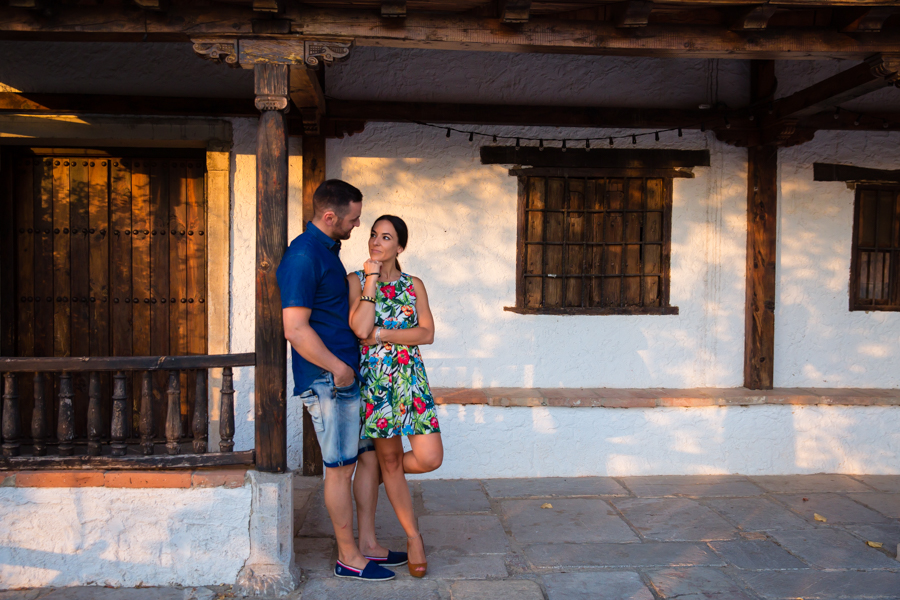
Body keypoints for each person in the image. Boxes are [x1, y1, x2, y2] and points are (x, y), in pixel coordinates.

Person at [277, 180, 404, 582]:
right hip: (329, 381)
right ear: (330, 216)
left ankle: (366, 544)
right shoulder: (302, 256)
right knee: (339, 469)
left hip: (348, 378)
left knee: (366, 459)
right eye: (354, 219)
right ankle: (348, 556)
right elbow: (295, 329)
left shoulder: (328, 252)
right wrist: (338, 368)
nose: (358, 225)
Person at [348, 215, 444, 578]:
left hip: (412, 381)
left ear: (399, 246)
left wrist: (384, 334)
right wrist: (371, 277)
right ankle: (413, 537)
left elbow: (427, 333)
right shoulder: (355, 282)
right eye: (373, 235)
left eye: (386, 237)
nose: (376, 241)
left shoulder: (413, 284)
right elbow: (359, 328)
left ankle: (381, 475)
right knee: (389, 461)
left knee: (430, 457)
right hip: (377, 384)